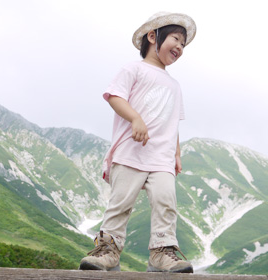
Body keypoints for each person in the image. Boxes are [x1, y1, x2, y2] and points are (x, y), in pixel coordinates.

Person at [79, 11, 197, 273]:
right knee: (120, 203)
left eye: (183, 44)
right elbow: (115, 97)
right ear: (153, 36)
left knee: (166, 202)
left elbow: (172, 122)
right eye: (175, 39)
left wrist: (176, 153)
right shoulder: (133, 69)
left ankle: (161, 253)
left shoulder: (175, 85)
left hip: (162, 157)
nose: (179, 47)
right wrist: (135, 119)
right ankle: (108, 251)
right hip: (130, 151)